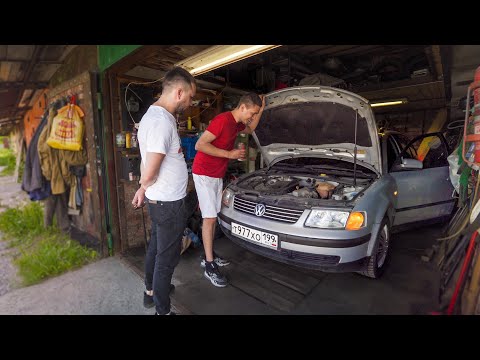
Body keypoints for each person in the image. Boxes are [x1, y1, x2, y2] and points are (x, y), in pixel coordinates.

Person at [131, 66, 196, 315]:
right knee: (166, 260)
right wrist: (143, 186)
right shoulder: (160, 122)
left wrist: (142, 189)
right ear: (179, 92)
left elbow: (147, 164)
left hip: (161, 201)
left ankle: (151, 293)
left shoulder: (155, 116)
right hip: (168, 204)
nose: (190, 103)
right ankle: (162, 310)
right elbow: (150, 171)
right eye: (190, 97)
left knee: (157, 250)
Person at [192, 93, 265, 287]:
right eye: (252, 112)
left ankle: (208, 254)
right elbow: (200, 144)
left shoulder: (237, 123)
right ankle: (209, 265)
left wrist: (262, 109)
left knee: (212, 215)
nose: (252, 116)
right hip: (204, 173)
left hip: (216, 174)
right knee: (209, 218)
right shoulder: (222, 120)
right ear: (242, 107)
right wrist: (229, 154)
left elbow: (251, 129)